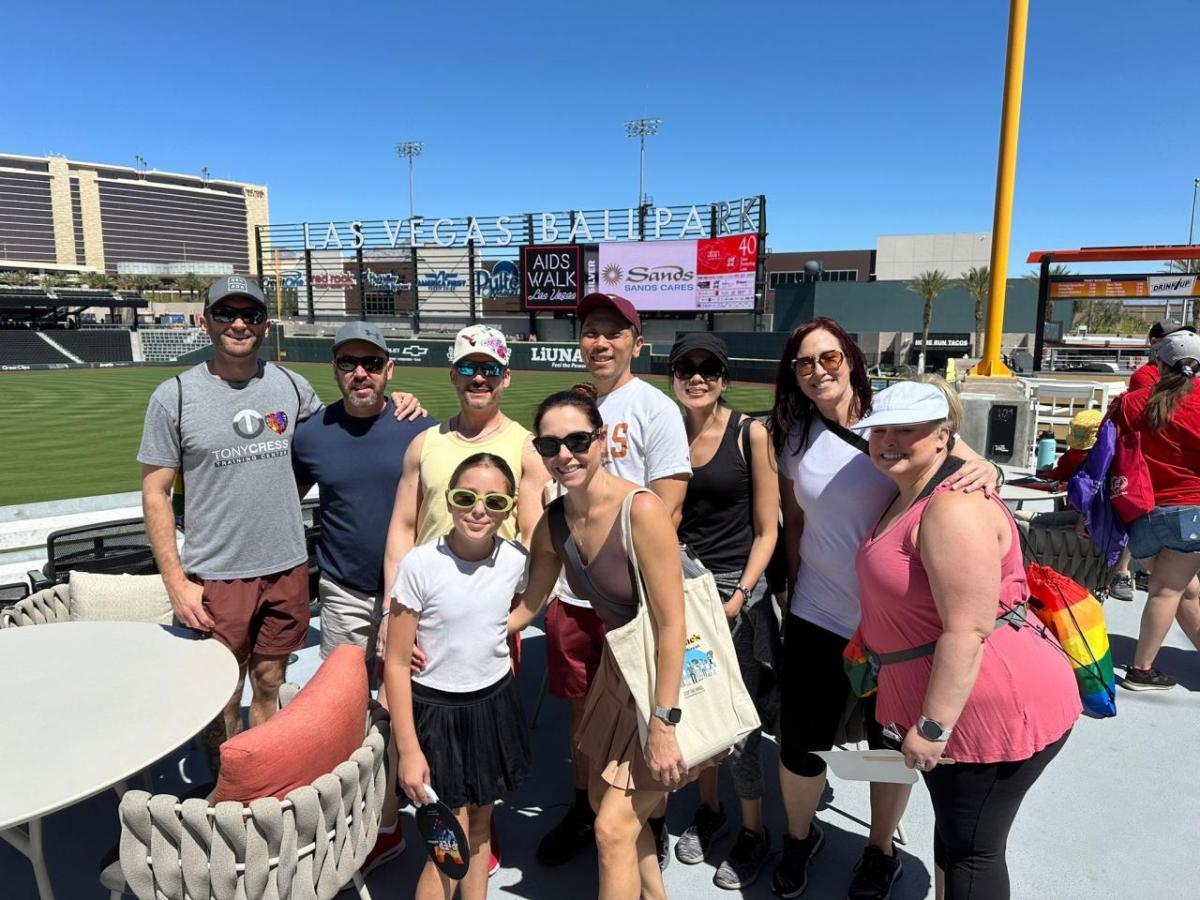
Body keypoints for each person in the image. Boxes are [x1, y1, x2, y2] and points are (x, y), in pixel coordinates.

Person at [769, 317, 1000, 900]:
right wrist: (791, 590)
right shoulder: (791, 434)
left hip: (894, 625)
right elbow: (795, 522)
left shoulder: (898, 418)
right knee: (801, 739)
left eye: (828, 358)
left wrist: (991, 469)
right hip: (819, 612)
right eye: (803, 363)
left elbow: (970, 467)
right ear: (792, 376)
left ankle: (880, 848)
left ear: (850, 359)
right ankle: (800, 837)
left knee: (886, 746)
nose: (817, 371)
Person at [854, 381, 1081, 900]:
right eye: (879, 430)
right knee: (959, 839)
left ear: (942, 436)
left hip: (984, 707)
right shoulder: (912, 488)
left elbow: (967, 629)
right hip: (955, 700)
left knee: (972, 854)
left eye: (906, 429)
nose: (888, 440)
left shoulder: (951, 508)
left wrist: (932, 727)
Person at [509, 386, 688, 900]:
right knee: (621, 823)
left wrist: (664, 723)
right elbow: (527, 606)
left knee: (611, 828)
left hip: (665, 685)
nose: (565, 455)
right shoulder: (556, 521)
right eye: (550, 447)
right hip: (619, 679)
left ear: (603, 439)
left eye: (578, 440)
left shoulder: (641, 510)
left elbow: (673, 626)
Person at [138, 276, 324, 767]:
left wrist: (398, 406)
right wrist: (176, 581)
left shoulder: (291, 386)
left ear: (265, 325)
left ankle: (258, 775)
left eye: (250, 315)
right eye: (225, 314)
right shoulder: (174, 396)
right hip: (216, 572)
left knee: (269, 679)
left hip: (285, 565)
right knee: (222, 691)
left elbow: (333, 442)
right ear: (205, 322)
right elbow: (155, 493)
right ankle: (224, 789)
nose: (238, 324)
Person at [382, 323, 547, 877]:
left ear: (505, 377)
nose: (480, 378)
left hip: (486, 619)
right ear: (453, 373)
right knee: (429, 753)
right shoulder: (426, 442)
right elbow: (402, 532)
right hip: (420, 610)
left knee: (482, 747)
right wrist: (389, 615)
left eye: (491, 369)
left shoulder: (523, 445)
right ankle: (450, 829)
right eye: (469, 368)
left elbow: (534, 537)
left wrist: (513, 614)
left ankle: (479, 827)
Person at [537, 293, 691, 870]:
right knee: (581, 712)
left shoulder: (654, 407)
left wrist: (623, 578)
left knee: (646, 709)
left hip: (632, 599)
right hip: (574, 596)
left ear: (635, 341)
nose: (600, 342)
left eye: (613, 332)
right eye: (590, 332)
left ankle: (645, 817)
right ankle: (586, 806)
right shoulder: (574, 409)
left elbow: (667, 504)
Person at [291, 321, 434, 873]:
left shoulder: (417, 425)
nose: (360, 373)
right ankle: (369, 818)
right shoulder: (312, 433)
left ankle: (404, 812)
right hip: (345, 593)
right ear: (335, 370)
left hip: (411, 598)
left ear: (389, 371)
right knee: (349, 712)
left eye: (371, 364)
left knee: (409, 709)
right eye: (349, 363)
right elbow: (283, 498)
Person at [386, 453, 532, 900]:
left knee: (483, 824)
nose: (478, 510)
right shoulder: (420, 565)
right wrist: (408, 750)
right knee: (449, 839)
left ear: (509, 508)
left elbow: (524, 603)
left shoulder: (514, 561)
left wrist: (498, 631)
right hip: (437, 711)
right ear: (448, 501)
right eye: (465, 497)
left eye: (494, 501)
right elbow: (395, 662)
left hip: (492, 704)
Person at [667, 333, 780, 890]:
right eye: (685, 367)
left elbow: (768, 528)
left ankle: (754, 830)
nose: (696, 377)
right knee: (692, 710)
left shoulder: (749, 432)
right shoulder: (665, 432)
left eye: (708, 368)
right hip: (679, 588)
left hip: (735, 591)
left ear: (724, 378)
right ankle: (709, 811)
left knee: (739, 718)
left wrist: (741, 595)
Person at [1111, 328, 1200, 689]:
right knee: (1168, 589)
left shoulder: (1132, 403)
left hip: (1141, 512)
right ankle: (1142, 670)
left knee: (1185, 589)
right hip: (1189, 511)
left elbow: (1106, 446)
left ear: (1159, 364)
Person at [1109, 320, 1197, 600]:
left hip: (1146, 504)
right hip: (1178, 503)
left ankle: (1124, 573)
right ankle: (1123, 572)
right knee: (1172, 591)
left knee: (1176, 591)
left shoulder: (1135, 396)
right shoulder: (1150, 387)